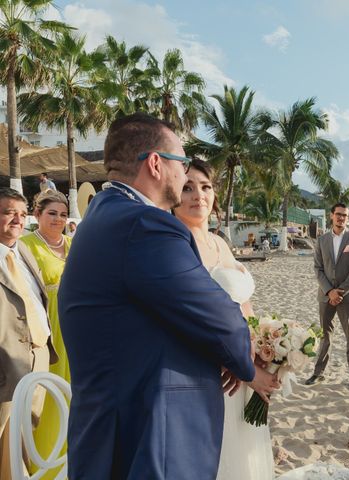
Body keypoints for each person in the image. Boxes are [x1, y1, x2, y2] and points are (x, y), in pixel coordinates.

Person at [58, 113, 256, 479]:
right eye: (181, 163)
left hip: (114, 424)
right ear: (155, 163)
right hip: (150, 435)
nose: (184, 177)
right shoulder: (143, 224)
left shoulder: (104, 214)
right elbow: (217, 318)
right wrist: (240, 353)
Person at [173, 159, 279, 480]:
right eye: (187, 187)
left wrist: (266, 350)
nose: (198, 195)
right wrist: (241, 368)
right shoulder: (177, 245)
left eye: (205, 187)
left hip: (246, 363)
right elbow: (189, 318)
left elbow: (244, 305)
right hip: (218, 373)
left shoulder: (220, 242)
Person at [0, 187, 57, 478]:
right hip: (5, 362)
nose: (17, 220)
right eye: (9, 212)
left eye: (22, 215)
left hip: (39, 355)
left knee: (23, 436)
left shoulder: (22, 250)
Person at [20, 191, 72, 479]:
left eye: (63, 214)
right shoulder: (26, 246)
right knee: (47, 398)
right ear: (37, 214)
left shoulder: (76, 244)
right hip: (45, 329)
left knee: (75, 396)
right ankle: (44, 469)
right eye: (52, 213)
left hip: (76, 330)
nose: (58, 219)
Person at [305, 203, 349, 390]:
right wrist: (329, 291)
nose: (341, 218)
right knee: (324, 336)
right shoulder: (321, 240)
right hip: (325, 296)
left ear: (348, 217)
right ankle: (318, 372)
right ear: (331, 216)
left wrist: (340, 292)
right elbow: (318, 268)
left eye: (344, 215)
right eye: (338, 214)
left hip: (347, 296)